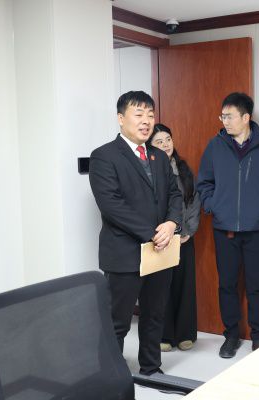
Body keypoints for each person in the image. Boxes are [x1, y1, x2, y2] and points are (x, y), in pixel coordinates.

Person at [89, 91, 182, 375]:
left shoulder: (159, 157)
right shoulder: (104, 156)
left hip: (159, 251)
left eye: (150, 115)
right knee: (117, 321)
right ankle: (110, 376)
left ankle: (151, 368)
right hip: (124, 253)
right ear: (121, 118)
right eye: (138, 114)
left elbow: (175, 195)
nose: (146, 121)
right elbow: (111, 205)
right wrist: (153, 233)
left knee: (154, 315)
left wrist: (171, 223)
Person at [197, 92, 259, 358]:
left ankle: (258, 336)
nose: (224, 121)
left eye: (229, 116)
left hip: (256, 229)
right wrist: (212, 205)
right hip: (224, 228)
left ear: (246, 117)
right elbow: (204, 182)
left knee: (256, 285)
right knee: (227, 285)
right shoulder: (215, 146)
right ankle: (231, 336)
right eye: (222, 116)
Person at [148, 123, 200, 352]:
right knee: (162, 289)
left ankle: (185, 334)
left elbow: (194, 202)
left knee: (185, 286)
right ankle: (164, 335)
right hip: (160, 239)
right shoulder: (148, 170)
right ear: (150, 146)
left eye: (168, 139)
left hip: (184, 238)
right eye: (159, 142)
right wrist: (160, 234)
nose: (165, 144)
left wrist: (187, 231)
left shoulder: (184, 170)